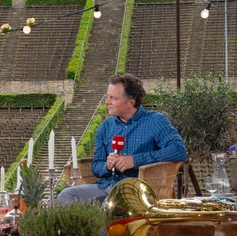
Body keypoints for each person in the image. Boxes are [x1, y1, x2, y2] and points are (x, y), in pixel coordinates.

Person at [57, 73, 187, 206]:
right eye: (107, 97)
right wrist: (107, 166)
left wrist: (134, 160)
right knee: (66, 195)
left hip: (137, 189)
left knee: (109, 205)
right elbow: (96, 166)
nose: (107, 102)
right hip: (107, 185)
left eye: (113, 98)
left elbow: (178, 150)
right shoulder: (105, 127)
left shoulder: (156, 121)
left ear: (131, 102)